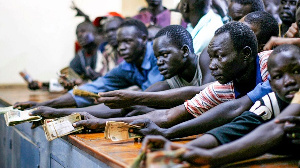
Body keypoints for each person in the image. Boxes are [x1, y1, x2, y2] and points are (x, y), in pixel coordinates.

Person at [72, 22, 271, 132]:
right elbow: (168, 116)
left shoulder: (271, 64)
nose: (212, 64)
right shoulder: (224, 86)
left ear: (245, 54)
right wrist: (103, 124)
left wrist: (169, 133)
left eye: (220, 57)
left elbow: (234, 107)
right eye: (212, 57)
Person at [141, 44, 300, 167]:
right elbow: (234, 129)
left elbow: (275, 128)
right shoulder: (271, 101)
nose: (289, 81)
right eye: (279, 76)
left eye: (297, 71)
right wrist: (182, 149)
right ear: (271, 83)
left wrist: (213, 157)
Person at [27, 25, 215, 119]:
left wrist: (135, 99)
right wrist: (55, 111)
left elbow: (204, 94)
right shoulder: (166, 79)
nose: (159, 62)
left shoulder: (205, 57)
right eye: (157, 57)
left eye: (164, 55)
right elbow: (127, 104)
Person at [14, 19, 164, 109]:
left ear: (144, 39)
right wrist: (45, 104)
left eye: (127, 41)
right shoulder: (126, 64)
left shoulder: (159, 57)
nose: (122, 47)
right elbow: (92, 88)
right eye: (119, 43)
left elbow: (147, 99)